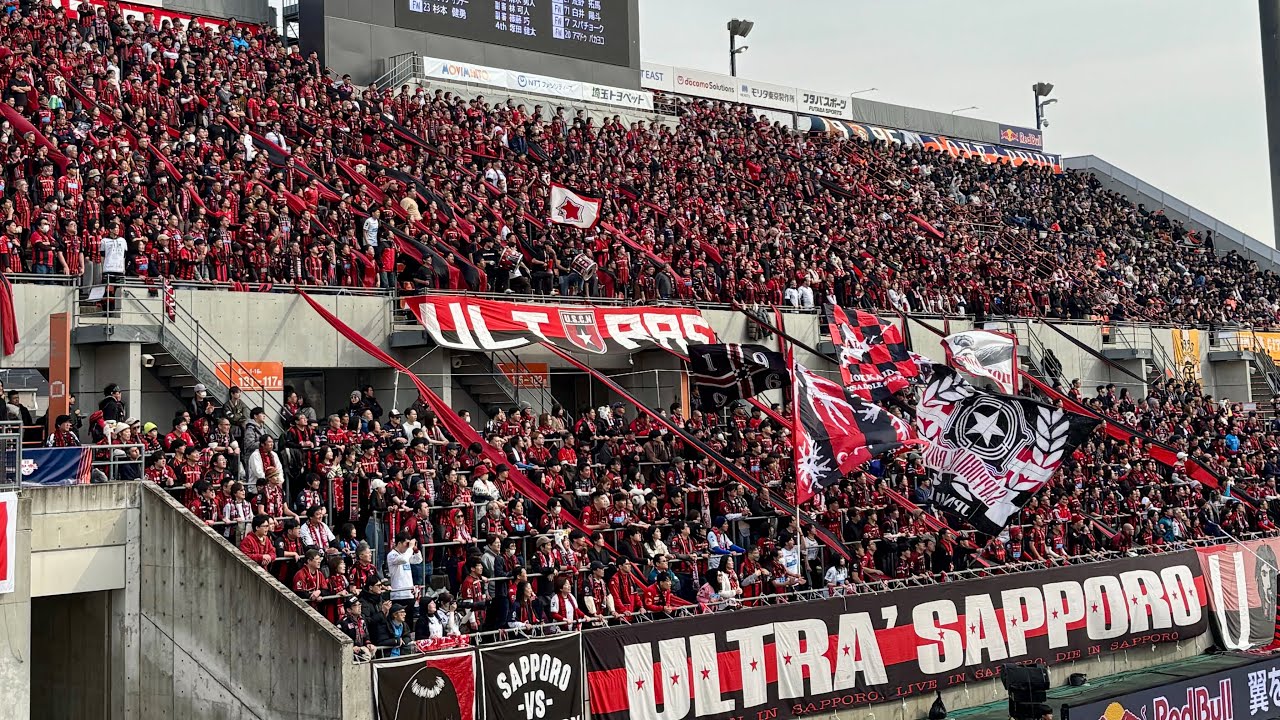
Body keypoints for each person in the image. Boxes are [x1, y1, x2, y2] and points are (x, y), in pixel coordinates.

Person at [387, 531, 423, 629]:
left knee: (409, 623)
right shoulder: (392, 555)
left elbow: (418, 560)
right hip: (398, 595)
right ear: (399, 543)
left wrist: (415, 549)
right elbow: (403, 559)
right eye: (406, 544)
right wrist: (410, 548)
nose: (407, 546)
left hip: (409, 593)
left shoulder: (406, 554)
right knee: (398, 622)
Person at [336, 596, 377, 661]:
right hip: (349, 654)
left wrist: (368, 643)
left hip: (361, 650)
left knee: (372, 650)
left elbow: (366, 634)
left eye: (359, 604)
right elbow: (340, 641)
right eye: (355, 605)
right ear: (349, 609)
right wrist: (351, 647)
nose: (359, 607)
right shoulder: (343, 622)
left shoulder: (362, 619)